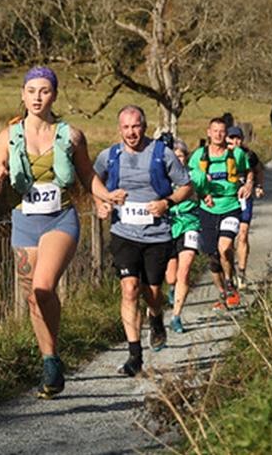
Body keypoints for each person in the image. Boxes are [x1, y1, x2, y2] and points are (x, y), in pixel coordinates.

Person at [0, 66, 108, 399]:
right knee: (34, 298)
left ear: (54, 95)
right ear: (22, 95)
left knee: (43, 286)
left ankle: (51, 361)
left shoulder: (72, 135)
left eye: (45, 91)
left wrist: (104, 196)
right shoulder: (7, 137)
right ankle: (50, 361)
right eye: (32, 91)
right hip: (24, 221)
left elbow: (87, 174)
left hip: (60, 219)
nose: (38, 97)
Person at [92, 106, 195, 377]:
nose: (131, 132)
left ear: (145, 126)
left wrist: (166, 202)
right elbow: (93, 182)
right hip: (124, 233)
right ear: (119, 129)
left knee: (151, 293)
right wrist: (101, 204)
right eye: (125, 127)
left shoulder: (162, 154)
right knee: (129, 289)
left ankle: (156, 317)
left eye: (135, 126)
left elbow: (187, 186)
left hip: (157, 234)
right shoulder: (110, 156)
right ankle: (134, 356)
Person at [189, 117, 253, 312]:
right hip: (207, 209)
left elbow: (249, 171)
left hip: (231, 205)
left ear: (226, 134)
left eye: (222, 131)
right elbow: (188, 180)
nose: (218, 134)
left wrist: (249, 184)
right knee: (212, 256)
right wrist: (202, 193)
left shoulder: (237, 153)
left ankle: (229, 282)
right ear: (208, 132)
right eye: (215, 131)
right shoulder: (199, 155)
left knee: (224, 248)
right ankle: (222, 291)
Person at [164, 138, 205, 334]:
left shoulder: (196, 176)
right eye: (174, 156)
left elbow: (206, 193)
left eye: (181, 156)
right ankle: (172, 288)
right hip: (169, 224)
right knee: (171, 276)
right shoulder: (163, 177)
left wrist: (207, 198)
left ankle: (176, 316)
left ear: (186, 157)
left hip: (190, 223)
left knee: (184, 271)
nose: (178, 160)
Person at [226, 124, 264, 290]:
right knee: (228, 239)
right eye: (232, 138)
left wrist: (258, 186)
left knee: (242, 235)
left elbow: (257, 171)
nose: (235, 141)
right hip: (226, 200)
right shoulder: (220, 155)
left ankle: (241, 273)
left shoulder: (249, 154)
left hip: (244, 198)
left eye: (238, 138)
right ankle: (229, 271)